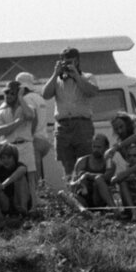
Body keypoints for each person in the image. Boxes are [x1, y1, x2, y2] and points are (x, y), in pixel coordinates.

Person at [42, 47, 99, 178]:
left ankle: (85, 192)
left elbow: (91, 92)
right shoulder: (57, 80)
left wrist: (76, 76)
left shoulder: (87, 77)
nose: (67, 64)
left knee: (85, 162)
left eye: (70, 61)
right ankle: (71, 193)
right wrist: (55, 74)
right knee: (68, 165)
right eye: (64, 61)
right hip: (63, 127)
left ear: (77, 61)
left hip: (82, 125)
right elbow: (45, 95)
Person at [0, 80, 37, 209]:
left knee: (30, 179)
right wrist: (18, 122)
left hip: (25, 145)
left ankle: (32, 208)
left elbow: (30, 115)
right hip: (7, 149)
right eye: (6, 93)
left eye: (12, 93)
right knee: (7, 178)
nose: (9, 95)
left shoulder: (26, 107)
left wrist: (21, 98)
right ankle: (11, 208)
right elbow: (0, 131)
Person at [64, 134, 116, 213]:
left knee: (98, 180)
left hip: (99, 198)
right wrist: (79, 181)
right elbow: (72, 183)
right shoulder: (82, 161)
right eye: (94, 147)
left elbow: (107, 177)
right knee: (63, 194)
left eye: (99, 147)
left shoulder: (109, 162)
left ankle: (114, 210)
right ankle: (83, 211)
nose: (96, 150)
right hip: (83, 197)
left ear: (106, 148)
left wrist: (87, 175)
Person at [16, 72, 50, 186]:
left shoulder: (26, 98)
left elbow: (33, 119)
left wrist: (28, 138)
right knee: (38, 175)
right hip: (44, 140)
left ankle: (38, 200)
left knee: (34, 177)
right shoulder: (39, 98)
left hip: (34, 140)